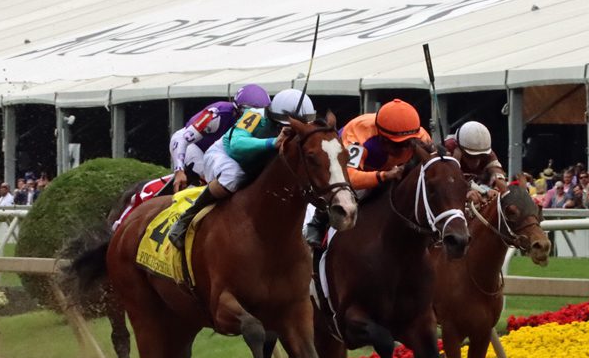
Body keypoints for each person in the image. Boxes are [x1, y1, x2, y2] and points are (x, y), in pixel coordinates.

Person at [166, 88, 309, 249]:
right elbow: (236, 145)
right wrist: (272, 142)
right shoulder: (252, 115)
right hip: (221, 154)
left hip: (251, 161)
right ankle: (186, 218)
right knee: (233, 175)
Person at [304, 99, 432, 247]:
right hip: (357, 169)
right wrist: (383, 176)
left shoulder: (422, 138)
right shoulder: (358, 132)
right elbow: (348, 177)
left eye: (407, 143)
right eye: (397, 144)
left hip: (394, 170)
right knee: (347, 195)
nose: (403, 149)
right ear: (381, 136)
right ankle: (319, 221)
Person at [168, 84, 271, 192]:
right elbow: (181, 140)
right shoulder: (217, 114)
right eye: (248, 112)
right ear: (236, 109)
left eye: (261, 113)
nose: (255, 118)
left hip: (218, 151)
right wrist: (179, 170)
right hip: (192, 146)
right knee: (212, 178)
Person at [443, 121, 508, 197]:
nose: (477, 161)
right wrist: (455, 162)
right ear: (459, 148)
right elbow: (445, 183)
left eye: (481, 156)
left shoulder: (486, 152)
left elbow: (497, 171)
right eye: (471, 156)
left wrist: (498, 186)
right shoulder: (447, 150)